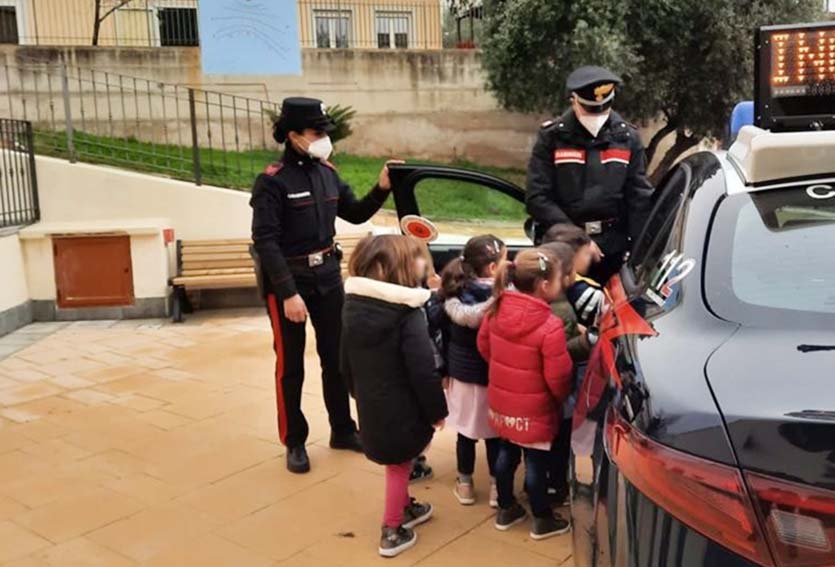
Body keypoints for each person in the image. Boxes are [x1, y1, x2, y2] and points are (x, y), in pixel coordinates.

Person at [250, 97, 400, 474]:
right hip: (290, 281)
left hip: (328, 277)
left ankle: (342, 429)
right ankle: (295, 441)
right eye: (317, 133)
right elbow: (265, 241)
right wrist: (288, 294)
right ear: (293, 135)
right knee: (291, 366)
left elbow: (354, 212)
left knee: (337, 358)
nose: (324, 139)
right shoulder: (272, 182)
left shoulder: (326, 173)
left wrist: (382, 187)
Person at [341, 234, 448, 558]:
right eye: (416, 257)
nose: (422, 263)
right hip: (404, 407)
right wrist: (436, 411)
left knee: (399, 459)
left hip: (372, 401)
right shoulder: (407, 312)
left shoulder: (352, 305)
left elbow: (342, 359)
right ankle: (391, 528)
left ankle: (406, 506)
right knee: (400, 464)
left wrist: (357, 392)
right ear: (395, 267)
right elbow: (422, 369)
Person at [526, 65, 655, 283]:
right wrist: (579, 242)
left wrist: (643, 251)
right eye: (589, 109)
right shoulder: (552, 137)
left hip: (614, 250)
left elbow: (639, 197)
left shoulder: (627, 137)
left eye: (603, 109)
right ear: (574, 100)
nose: (597, 117)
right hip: (564, 249)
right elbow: (538, 198)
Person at [477, 248, 574, 540]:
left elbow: (484, 348)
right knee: (536, 463)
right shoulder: (550, 325)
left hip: (502, 402)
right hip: (536, 408)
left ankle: (506, 509)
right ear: (545, 285)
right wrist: (558, 398)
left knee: (506, 455)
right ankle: (542, 518)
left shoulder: (494, 310)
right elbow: (558, 376)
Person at [438, 235, 506, 507]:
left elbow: (443, 333)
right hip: (493, 374)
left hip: (463, 374)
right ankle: (495, 487)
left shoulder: (453, 294)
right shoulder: (503, 297)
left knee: (466, 432)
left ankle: (464, 484)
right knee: (494, 435)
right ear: (492, 269)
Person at [538, 240, 594, 506]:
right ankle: (556, 489)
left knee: (536, 448)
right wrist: (588, 341)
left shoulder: (520, 300)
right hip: (555, 390)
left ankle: (539, 486)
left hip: (529, 392)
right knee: (559, 441)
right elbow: (559, 352)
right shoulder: (559, 308)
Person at [544, 224, 606, 328]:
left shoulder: (546, 278)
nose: (590, 258)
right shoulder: (581, 290)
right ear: (571, 257)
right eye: (586, 254)